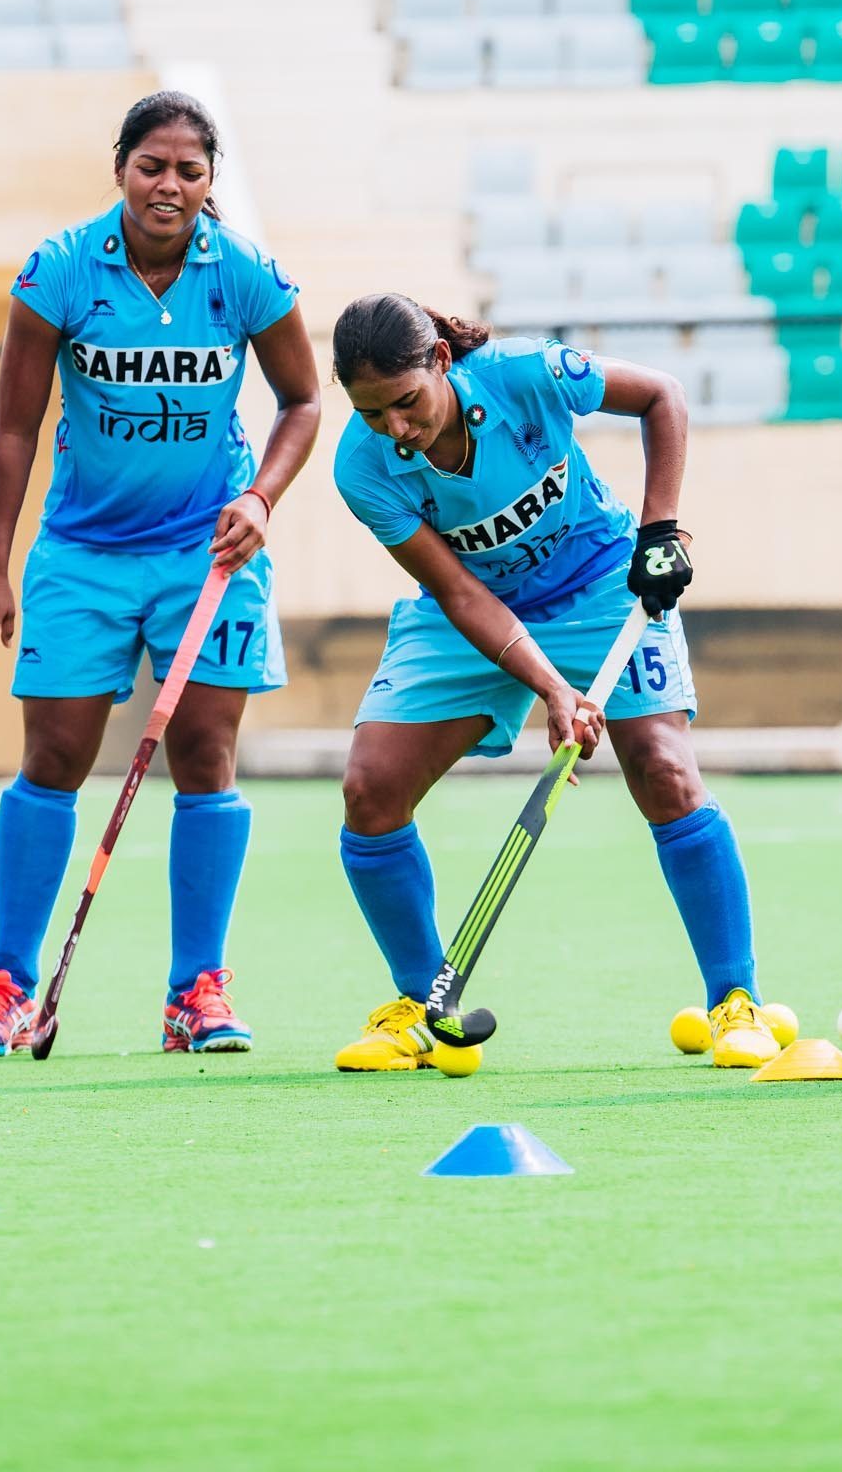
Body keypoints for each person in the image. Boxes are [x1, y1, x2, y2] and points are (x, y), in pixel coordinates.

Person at [324, 293, 784, 1075]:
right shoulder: (361, 470)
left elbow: (661, 396)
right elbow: (462, 596)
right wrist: (549, 687)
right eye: (373, 415)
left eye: (405, 404)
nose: (396, 430)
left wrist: (661, 530)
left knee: (665, 772)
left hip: (602, 586)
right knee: (370, 789)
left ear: (439, 361)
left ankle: (733, 1000)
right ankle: (420, 1007)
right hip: (470, 610)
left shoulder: (523, 372)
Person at [0, 92, 319, 1057]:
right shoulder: (60, 271)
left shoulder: (243, 275)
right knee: (55, 759)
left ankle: (195, 990)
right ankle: (5, 985)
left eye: (189, 170)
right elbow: (13, 433)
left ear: (210, 181)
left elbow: (303, 402)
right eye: (152, 166)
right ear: (120, 168)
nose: (169, 185)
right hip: (83, 556)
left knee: (206, 756)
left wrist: (262, 499)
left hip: (210, 553)